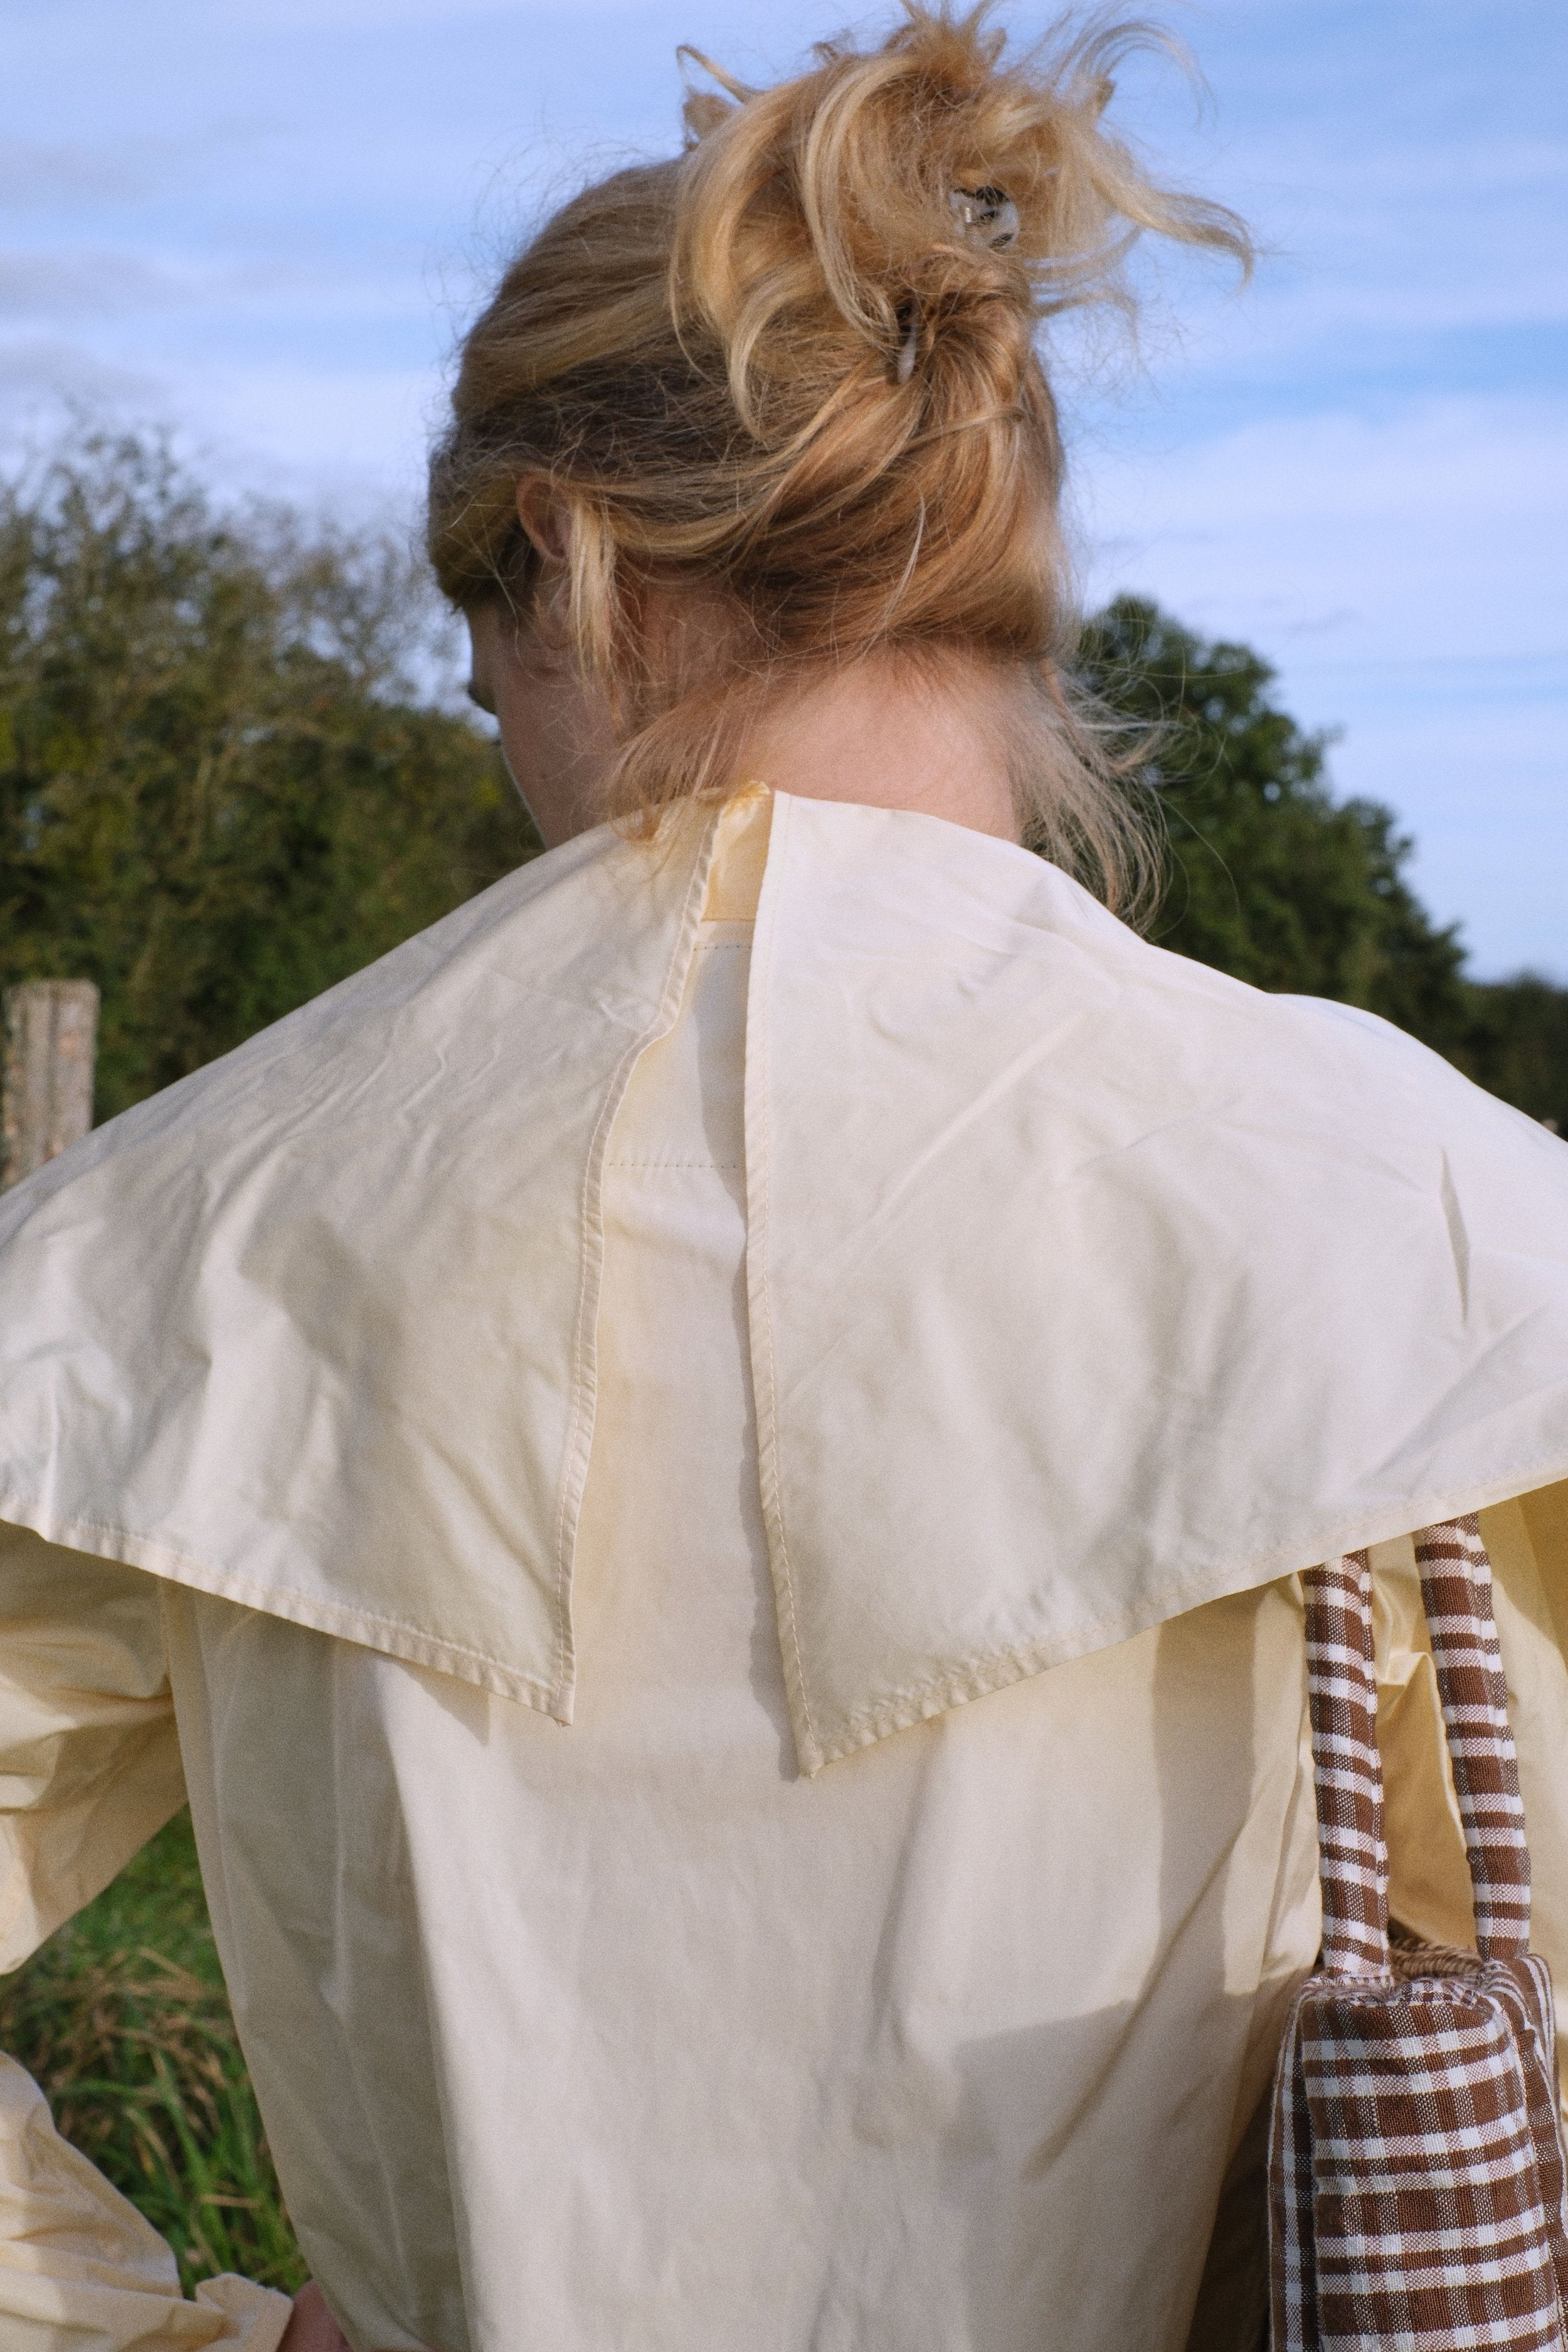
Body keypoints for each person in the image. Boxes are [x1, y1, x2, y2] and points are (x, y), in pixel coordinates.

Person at [3, 10, 1568, 2350]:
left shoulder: (173, 1235)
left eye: (478, 645)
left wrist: (150, 2337)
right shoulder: (1445, 1216)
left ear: (569, 558)